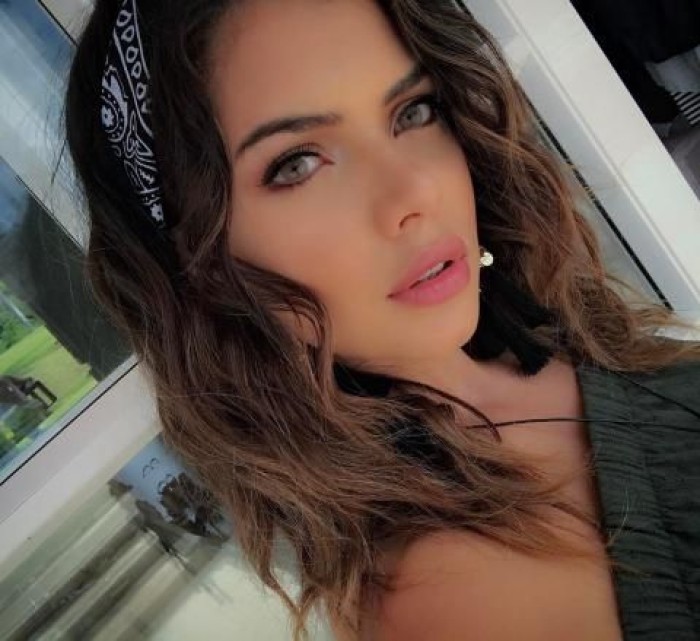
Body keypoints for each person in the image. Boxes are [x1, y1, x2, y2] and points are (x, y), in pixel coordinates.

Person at [63, 0, 700, 639]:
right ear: (196, 262)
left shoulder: (549, 335)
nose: (415, 190)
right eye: (296, 164)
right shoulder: (455, 595)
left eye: (413, 112)